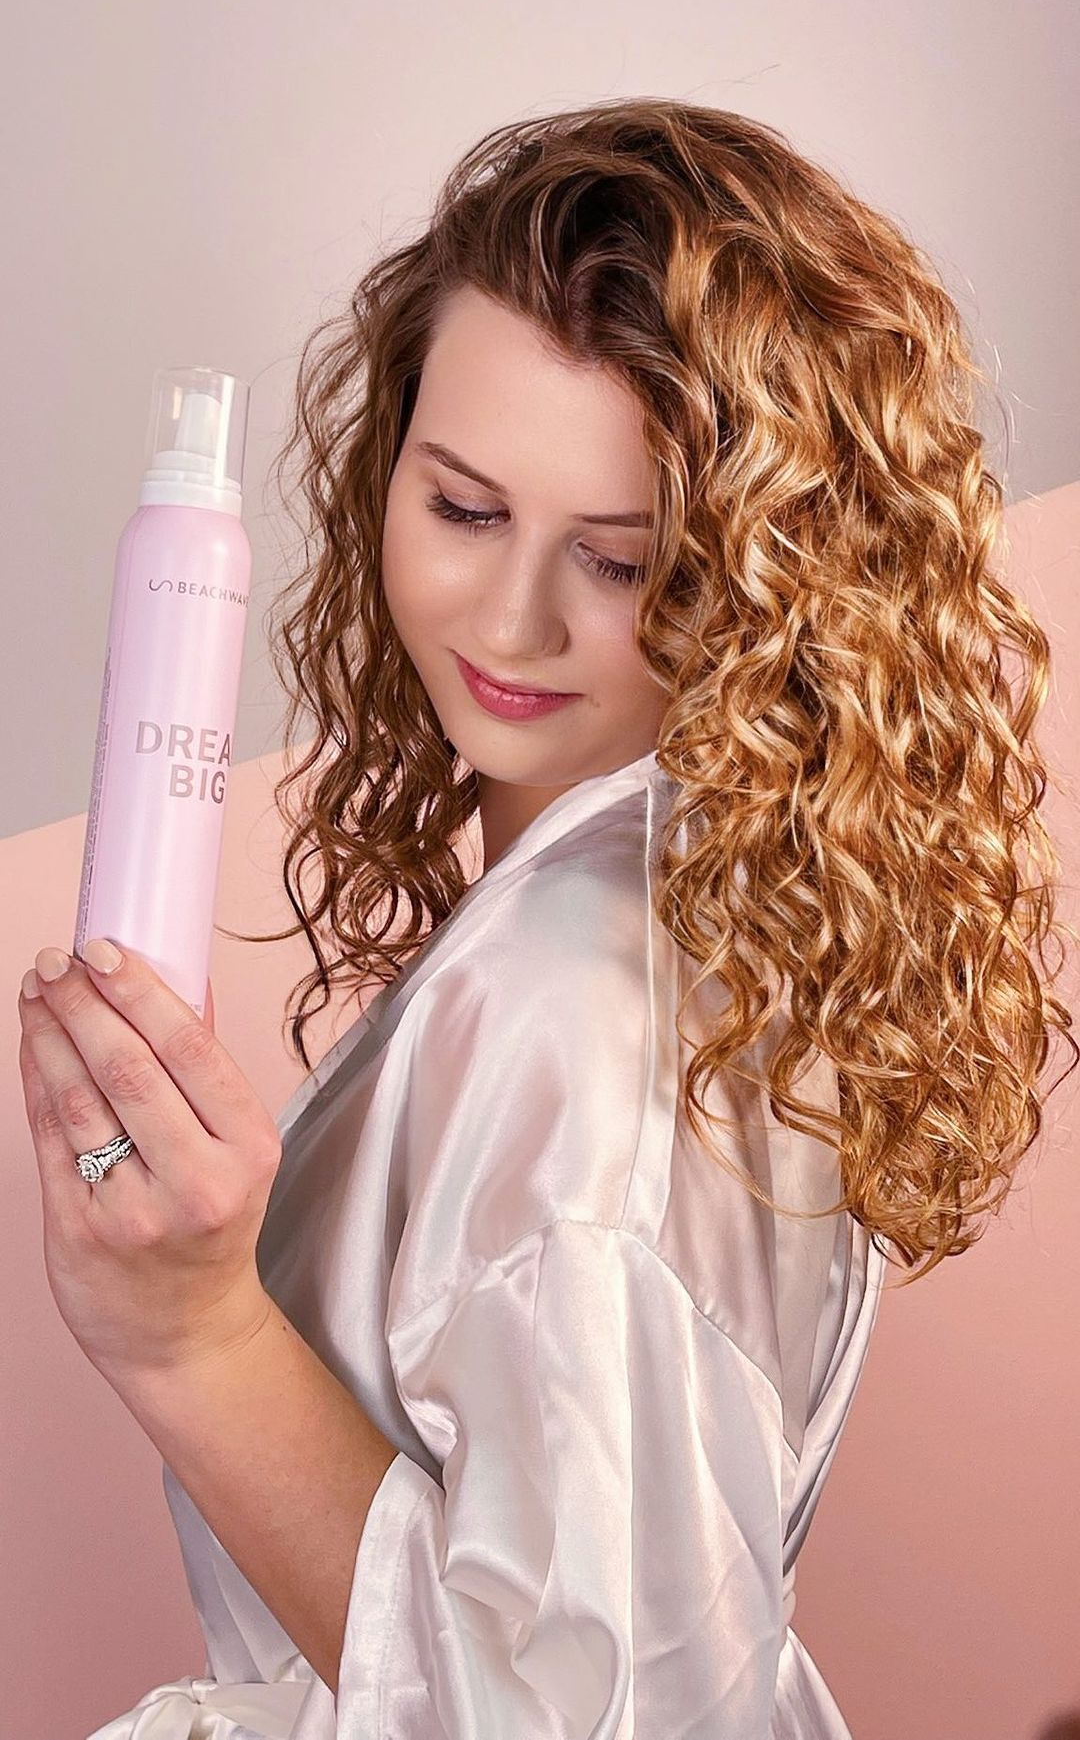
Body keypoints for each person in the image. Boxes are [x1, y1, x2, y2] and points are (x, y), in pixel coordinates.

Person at [88, 99, 1075, 1738]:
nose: (511, 619)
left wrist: (188, 1329)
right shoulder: (689, 924)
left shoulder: (577, 995)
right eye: (464, 509)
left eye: (620, 562)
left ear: (770, 583)